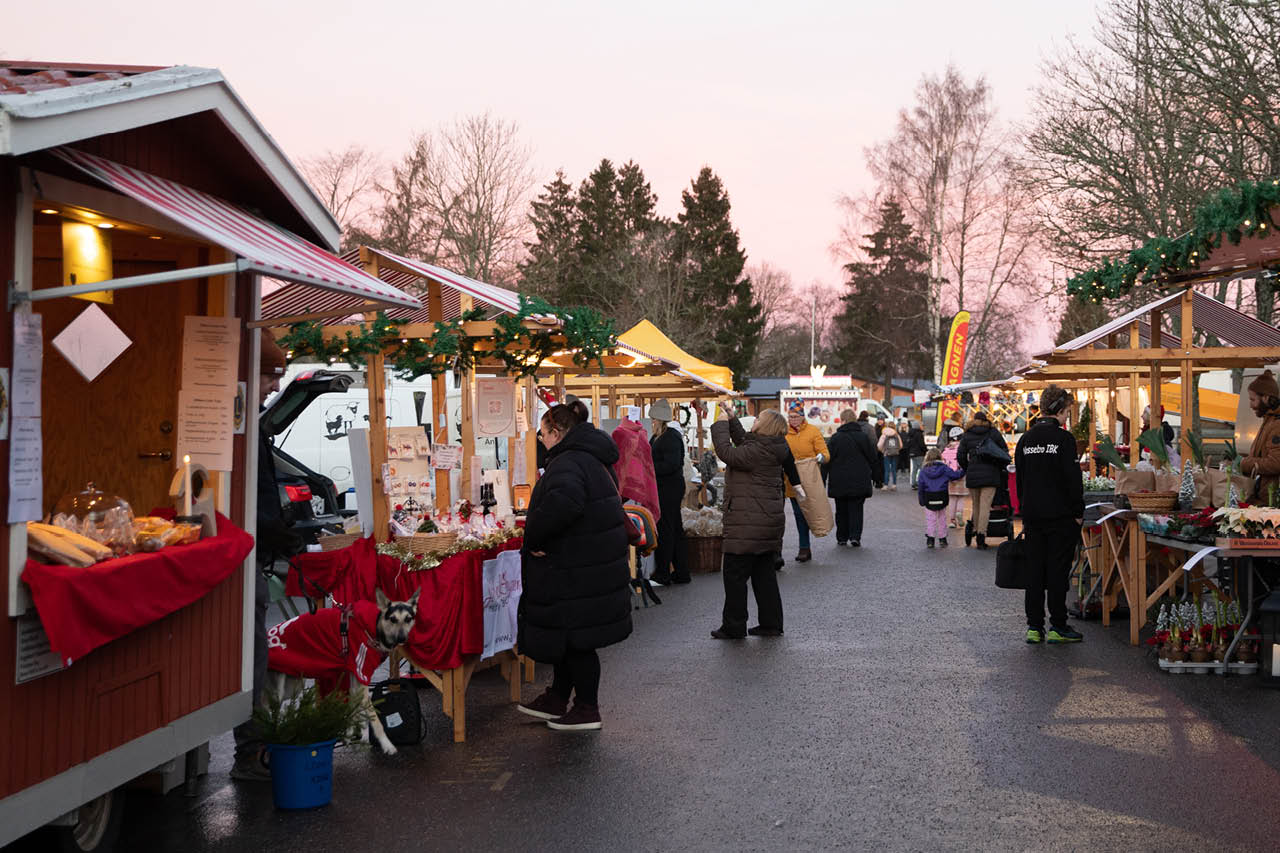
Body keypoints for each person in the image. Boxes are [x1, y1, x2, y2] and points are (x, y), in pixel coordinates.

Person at [517, 400, 631, 731]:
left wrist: (534, 540)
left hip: (577, 567)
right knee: (570, 639)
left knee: (577, 640)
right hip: (588, 562)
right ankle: (558, 697)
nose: (541, 440)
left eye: (542, 434)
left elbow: (562, 507)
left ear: (556, 432)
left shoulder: (568, 463)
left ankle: (586, 708)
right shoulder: (589, 456)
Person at [232, 331, 298, 782]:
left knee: (253, 648)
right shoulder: (241, 425)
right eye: (271, 376)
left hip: (254, 547)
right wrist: (284, 536)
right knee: (251, 650)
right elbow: (250, 500)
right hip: (247, 551)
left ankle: (252, 742)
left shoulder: (248, 422)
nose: (276, 387)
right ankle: (249, 749)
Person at [710, 408, 801, 639]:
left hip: (748, 524)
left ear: (765, 425)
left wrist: (720, 424)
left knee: (734, 575)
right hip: (766, 522)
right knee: (764, 576)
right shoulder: (771, 447)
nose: (755, 420)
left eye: (758, 418)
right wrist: (732, 420)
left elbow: (726, 453)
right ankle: (771, 623)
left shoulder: (757, 452)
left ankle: (734, 625)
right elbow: (744, 441)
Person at [1015, 384, 1085, 644]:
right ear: (1058, 410)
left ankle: (1034, 627)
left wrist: (1024, 508)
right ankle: (1058, 626)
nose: (1067, 417)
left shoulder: (1026, 439)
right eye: (1067, 412)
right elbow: (1072, 480)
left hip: (1033, 515)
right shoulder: (1065, 440)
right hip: (1060, 517)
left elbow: (1020, 480)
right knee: (1057, 572)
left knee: (1034, 572)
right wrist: (1078, 513)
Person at [647, 399, 690, 584]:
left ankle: (663, 571)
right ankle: (681, 572)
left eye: (653, 419)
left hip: (668, 488)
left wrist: (649, 468)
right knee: (674, 529)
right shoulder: (662, 437)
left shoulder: (669, 437)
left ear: (659, 420)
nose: (652, 422)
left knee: (666, 529)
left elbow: (672, 464)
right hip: (668, 486)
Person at [956, 411, 1009, 550]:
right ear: (986, 420)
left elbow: (960, 455)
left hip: (973, 474)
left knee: (976, 505)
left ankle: (975, 529)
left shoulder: (967, 434)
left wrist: (968, 467)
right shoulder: (993, 432)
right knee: (986, 506)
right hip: (991, 474)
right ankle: (981, 535)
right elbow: (1004, 451)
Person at [784, 403, 828, 563]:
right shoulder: (784, 434)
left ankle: (814, 535)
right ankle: (804, 547)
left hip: (809, 481)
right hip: (791, 481)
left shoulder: (812, 432)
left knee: (809, 512)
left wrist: (820, 458)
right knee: (798, 514)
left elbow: (824, 452)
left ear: (803, 417)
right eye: (790, 417)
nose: (793, 420)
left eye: (796, 416)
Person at [826, 408, 877, 547]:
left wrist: (822, 477)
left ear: (842, 421)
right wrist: (877, 477)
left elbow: (827, 460)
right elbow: (873, 457)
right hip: (859, 480)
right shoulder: (863, 437)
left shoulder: (835, 438)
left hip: (839, 480)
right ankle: (855, 536)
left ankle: (842, 537)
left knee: (841, 510)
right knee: (856, 510)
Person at [1240, 370, 1280, 501]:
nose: (1251, 405)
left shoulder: (1276, 425)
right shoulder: (1269, 421)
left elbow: (1276, 463)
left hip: (1272, 499)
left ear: (1266, 398)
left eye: (1253, 399)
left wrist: (1245, 463)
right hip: (1266, 496)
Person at [917, 448, 965, 548]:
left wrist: (921, 500)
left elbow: (920, 487)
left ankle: (930, 539)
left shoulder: (923, 471)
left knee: (931, 519)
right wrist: (963, 469)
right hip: (942, 496)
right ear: (940, 456)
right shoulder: (944, 468)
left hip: (929, 497)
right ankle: (943, 539)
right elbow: (955, 475)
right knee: (942, 518)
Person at [942, 426, 967, 529]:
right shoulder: (963, 448)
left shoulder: (946, 449)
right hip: (961, 476)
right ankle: (959, 512)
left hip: (950, 478)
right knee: (960, 497)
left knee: (952, 499)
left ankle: (952, 520)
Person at [877, 419, 902, 490]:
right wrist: (896, 450)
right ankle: (894, 484)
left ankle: (885, 485)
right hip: (895, 454)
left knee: (887, 470)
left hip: (886, 453)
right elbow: (900, 445)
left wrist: (882, 451)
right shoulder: (897, 435)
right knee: (894, 470)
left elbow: (879, 445)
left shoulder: (884, 435)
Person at [904, 420, 927, 489]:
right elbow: (921, 444)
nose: (922, 426)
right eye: (921, 425)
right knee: (922, 468)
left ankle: (913, 483)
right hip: (919, 453)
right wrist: (925, 450)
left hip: (912, 453)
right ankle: (922, 482)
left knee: (914, 469)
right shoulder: (919, 434)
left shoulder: (910, 434)